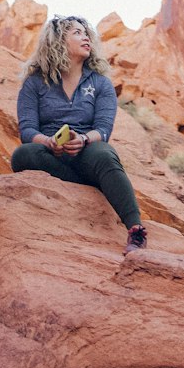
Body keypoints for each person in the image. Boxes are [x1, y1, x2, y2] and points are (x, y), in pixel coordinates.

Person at [11, 13, 147, 252]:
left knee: (105, 153)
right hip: (51, 153)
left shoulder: (101, 83)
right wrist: (49, 141)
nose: (86, 38)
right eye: (77, 33)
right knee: (23, 154)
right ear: (58, 41)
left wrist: (83, 139)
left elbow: (103, 129)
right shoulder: (35, 83)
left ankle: (136, 231)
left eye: (87, 34)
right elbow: (27, 129)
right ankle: (87, 186)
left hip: (87, 151)